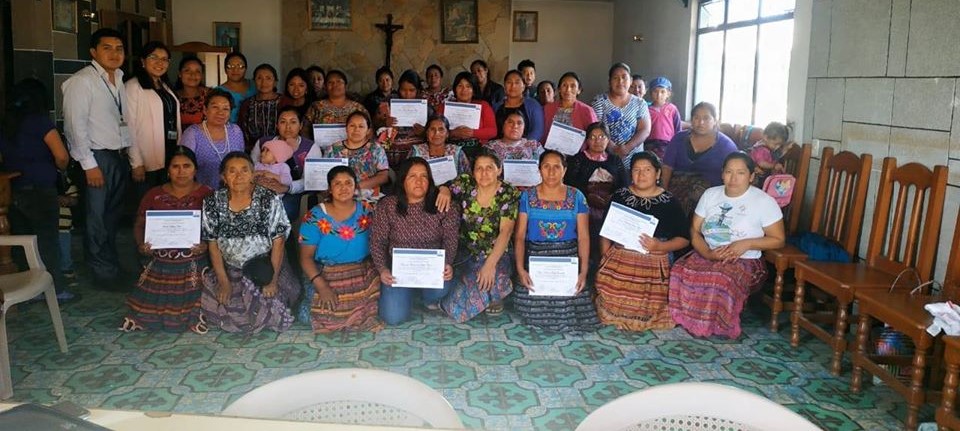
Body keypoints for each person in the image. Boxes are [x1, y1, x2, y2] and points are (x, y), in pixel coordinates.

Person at [670, 152, 785, 338]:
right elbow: (693, 230)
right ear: (722, 174)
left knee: (719, 277)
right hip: (709, 252)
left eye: (740, 173)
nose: (733, 178)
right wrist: (707, 253)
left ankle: (717, 323)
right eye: (729, 172)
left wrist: (747, 243)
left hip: (745, 259)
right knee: (680, 270)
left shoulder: (764, 201)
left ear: (751, 176)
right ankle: (688, 318)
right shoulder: (710, 195)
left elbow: (778, 239)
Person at [61, 28, 133, 287]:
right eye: (107, 48)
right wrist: (89, 165)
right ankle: (102, 274)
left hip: (117, 156)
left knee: (111, 217)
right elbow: (73, 126)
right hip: (96, 159)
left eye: (119, 48)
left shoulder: (119, 78)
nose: (114, 53)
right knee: (97, 218)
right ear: (93, 52)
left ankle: (111, 266)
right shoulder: (82, 81)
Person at [200, 152, 300, 333]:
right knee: (223, 307)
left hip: (264, 266)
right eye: (232, 171)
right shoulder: (212, 202)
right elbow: (212, 244)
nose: (239, 176)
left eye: (245, 170)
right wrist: (223, 281)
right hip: (229, 267)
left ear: (253, 174)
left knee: (269, 311)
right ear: (223, 177)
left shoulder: (268, 198)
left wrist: (272, 280)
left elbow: (279, 242)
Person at [594, 152, 689, 331]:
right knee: (610, 293)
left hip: (655, 256)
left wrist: (661, 246)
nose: (641, 174)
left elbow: (684, 239)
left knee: (649, 303)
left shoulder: (669, 202)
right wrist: (605, 256)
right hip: (620, 255)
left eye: (647, 170)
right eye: (636, 170)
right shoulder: (619, 196)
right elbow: (605, 232)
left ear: (658, 174)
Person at [123, 147, 213, 332]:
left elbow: (217, 230)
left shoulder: (208, 194)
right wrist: (142, 245)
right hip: (160, 259)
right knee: (147, 307)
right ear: (168, 170)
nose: (181, 172)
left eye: (187, 166)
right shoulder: (153, 194)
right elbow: (140, 225)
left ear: (195, 169)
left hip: (194, 258)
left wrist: (205, 246)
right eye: (175, 167)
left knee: (198, 299)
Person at [2, 78, 73, 299]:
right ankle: (56, 290)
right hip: (41, 189)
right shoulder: (40, 122)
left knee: (23, 242)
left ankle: (27, 290)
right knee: (47, 240)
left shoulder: (5, 124)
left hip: (13, 189)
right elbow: (61, 156)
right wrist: (60, 170)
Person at [513, 150, 599, 332]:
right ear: (539, 170)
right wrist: (521, 269)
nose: (551, 172)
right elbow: (520, 236)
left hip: (567, 256)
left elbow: (584, 237)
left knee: (569, 302)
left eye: (556, 167)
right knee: (528, 300)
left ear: (564, 170)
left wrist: (583, 272)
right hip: (536, 256)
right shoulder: (527, 197)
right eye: (546, 166)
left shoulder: (577, 197)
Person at [371, 157, 461, 325]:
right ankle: (406, 295)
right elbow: (378, 241)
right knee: (393, 317)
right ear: (403, 180)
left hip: (432, 270)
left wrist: (448, 263)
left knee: (442, 287)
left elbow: (450, 239)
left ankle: (428, 298)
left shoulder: (443, 204)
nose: (419, 181)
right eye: (412, 176)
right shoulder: (388, 206)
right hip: (399, 271)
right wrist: (383, 270)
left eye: (424, 176)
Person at [299, 166, 383, 332]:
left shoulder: (367, 210)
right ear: (330, 189)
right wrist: (322, 287)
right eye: (337, 183)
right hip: (326, 273)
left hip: (362, 271)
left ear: (355, 187)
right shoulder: (315, 216)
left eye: (348, 183)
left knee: (367, 313)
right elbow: (305, 258)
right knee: (316, 316)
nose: (343, 188)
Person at [440, 150, 520, 321]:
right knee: (468, 280)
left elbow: (506, 231)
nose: (484, 173)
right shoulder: (465, 183)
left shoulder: (508, 192)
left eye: (489, 168)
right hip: (466, 251)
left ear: (499, 170)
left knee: (492, 276)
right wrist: (445, 190)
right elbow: (445, 186)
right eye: (479, 168)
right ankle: (490, 296)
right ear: (473, 171)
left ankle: (495, 293)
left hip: (497, 252)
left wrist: (490, 265)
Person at [661, 102, 738, 216]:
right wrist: (663, 194)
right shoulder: (679, 139)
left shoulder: (727, 147)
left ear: (715, 120)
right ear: (691, 120)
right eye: (696, 118)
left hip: (710, 198)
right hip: (676, 192)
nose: (701, 123)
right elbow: (667, 167)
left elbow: (733, 176)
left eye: (706, 118)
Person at [563, 122, 627, 259]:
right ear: (587, 140)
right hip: (584, 204)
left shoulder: (615, 161)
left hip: (610, 204)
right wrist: (588, 196)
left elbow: (625, 185)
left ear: (608, 140)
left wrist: (612, 198)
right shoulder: (577, 160)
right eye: (592, 137)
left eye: (602, 137)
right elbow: (570, 185)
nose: (597, 141)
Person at [126, 41, 180, 195]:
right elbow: (129, 126)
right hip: (146, 160)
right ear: (143, 61)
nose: (159, 63)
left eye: (164, 59)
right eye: (154, 57)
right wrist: (136, 163)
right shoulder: (133, 87)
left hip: (168, 155)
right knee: (147, 204)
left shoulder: (165, 86)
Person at [252, 106, 316, 219]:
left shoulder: (310, 147)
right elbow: (252, 168)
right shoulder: (263, 143)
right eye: (283, 122)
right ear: (277, 125)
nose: (288, 127)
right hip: (260, 189)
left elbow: (309, 180)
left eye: (293, 122)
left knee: (282, 211)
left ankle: (282, 236)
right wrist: (259, 180)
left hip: (293, 192)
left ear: (300, 125)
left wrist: (286, 188)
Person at [180, 89, 245, 189]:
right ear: (205, 110)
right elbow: (183, 168)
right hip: (202, 192)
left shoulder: (235, 131)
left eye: (226, 109)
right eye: (215, 107)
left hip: (234, 191)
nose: (220, 112)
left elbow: (242, 161)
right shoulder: (192, 133)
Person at [592, 63, 651, 171]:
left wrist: (627, 148)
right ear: (609, 81)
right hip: (606, 158)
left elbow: (645, 130)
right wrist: (613, 148)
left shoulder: (640, 103)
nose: (620, 81)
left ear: (631, 80)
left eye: (624, 77)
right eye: (615, 78)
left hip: (634, 160)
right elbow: (596, 129)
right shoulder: (599, 101)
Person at [327, 110, 390, 196]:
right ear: (346, 128)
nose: (356, 130)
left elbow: (383, 176)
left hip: (368, 195)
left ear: (368, 130)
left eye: (361, 126)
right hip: (339, 195)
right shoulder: (333, 149)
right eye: (352, 126)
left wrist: (356, 187)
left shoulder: (375, 148)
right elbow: (325, 175)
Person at [379, 69, 430, 165]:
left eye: (411, 90)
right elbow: (374, 123)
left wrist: (424, 133)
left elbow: (434, 130)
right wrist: (385, 123)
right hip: (391, 153)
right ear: (399, 88)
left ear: (418, 90)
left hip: (416, 154)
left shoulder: (424, 106)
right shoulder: (390, 101)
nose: (407, 94)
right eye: (403, 90)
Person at [446, 71, 497, 160]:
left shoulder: (483, 106)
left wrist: (473, 133)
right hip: (451, 151)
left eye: (468, 86)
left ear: (474, 90)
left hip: (477, 151)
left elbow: (492, 131)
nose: (464, 90)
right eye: (460, 86)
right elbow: (435, 130)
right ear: (455, 89)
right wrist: (452, 133)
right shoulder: (445, 107)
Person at [304, 70, 368, 136]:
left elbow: (369, 130)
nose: (335, 85)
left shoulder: (358, 108)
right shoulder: (316, 107)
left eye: (338, 81)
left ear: (345, 86)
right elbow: (305, 130)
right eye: (330, 82)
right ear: (325, 87)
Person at [409, 115, 470, 183]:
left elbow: (467, 179)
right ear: (427, 132)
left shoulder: (457, 152)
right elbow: (408, 177)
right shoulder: (417, 151)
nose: (436, 133)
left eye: (441, 129)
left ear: (447, 134)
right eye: (432, 129)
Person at [543, 72, 598, 143]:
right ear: (559, 89)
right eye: (564, 85)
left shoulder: (587, 111)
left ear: (579, 90)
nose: (568, 89)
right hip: (550, 151)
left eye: (573, 86)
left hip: (578, 152)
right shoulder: (548, 108)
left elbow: (594, 135)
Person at [237, 63, 281, 151]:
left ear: (275, 82)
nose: (264, 82)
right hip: (253, 152)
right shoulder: (247, 104)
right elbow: (242, 131)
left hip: (280, 151)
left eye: (268, 78)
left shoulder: (284, 102)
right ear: (254, 82)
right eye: (259, 78)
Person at [494, 70, 544, 142]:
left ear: (523, 86)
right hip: (499, 149)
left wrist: (520, 147)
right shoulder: (496, 107)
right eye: (509, 82)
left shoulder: (533, 105)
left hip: (525, 149)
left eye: (517, 82)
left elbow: (537, 131)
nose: (513, 86)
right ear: (504, 86)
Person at [643, 77, 682, 159]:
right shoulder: (646, 109)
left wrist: (678, 145)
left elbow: (678, 128)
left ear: (668, 93)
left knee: (666, 166)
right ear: (650, 93)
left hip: (668, 144)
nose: (659, 95)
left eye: (662, 92)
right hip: (650, 144)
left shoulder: (672, 109)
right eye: (655, 91)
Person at [214, 52, 255, 123]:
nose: (235, 70)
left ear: (246, 68)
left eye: (240, 66)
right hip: (230, 132)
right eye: (230, 66)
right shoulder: (218, 91)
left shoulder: (256, 85)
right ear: (225, 69)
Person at [750, 122, 791, 187]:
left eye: (780, 145)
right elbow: (762, 163)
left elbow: (775, 156)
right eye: (776, 144)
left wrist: (785, 150)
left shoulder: (768, 147)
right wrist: (774, 166)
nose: (777, 147)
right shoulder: (761, 149)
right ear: (766, 138)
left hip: (763, 176)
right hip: (757, 179)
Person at [174, 57, 209, 130]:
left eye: (197, 71)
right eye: (187, 71)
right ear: (180, 74)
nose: (193, 75)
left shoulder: (211, 95)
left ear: (202, 75)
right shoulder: (172, 97)